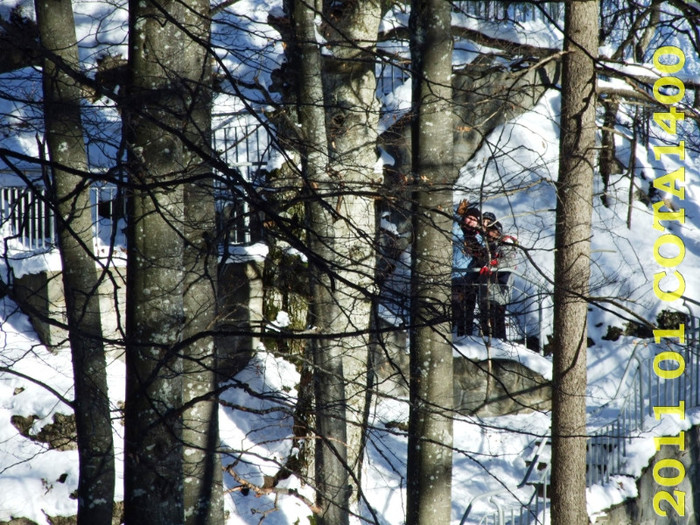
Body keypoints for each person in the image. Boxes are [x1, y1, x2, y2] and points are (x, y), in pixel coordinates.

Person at [477, 216, 517, 340]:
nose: (489, 234)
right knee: (485, 320)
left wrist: (493, 264)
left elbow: (509, 262)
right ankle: (488, 346)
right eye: (488, 231)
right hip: (486, 290)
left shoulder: (504, 244)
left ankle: (500, 345)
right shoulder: (487, 247)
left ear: (498, 232)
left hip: (499, 290)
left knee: (497, 320)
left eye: (492, 230)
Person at [452, 203, 483, 336]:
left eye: (474, 220)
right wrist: (457, 215)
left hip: (470, 279)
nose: (471, 222)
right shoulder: (457, 231)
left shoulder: (479, 238)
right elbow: (452, 227)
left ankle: (467, 336)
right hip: (454, 276)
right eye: (469, 218)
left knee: (468, 310)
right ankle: (454, 336)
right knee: (454, 309)